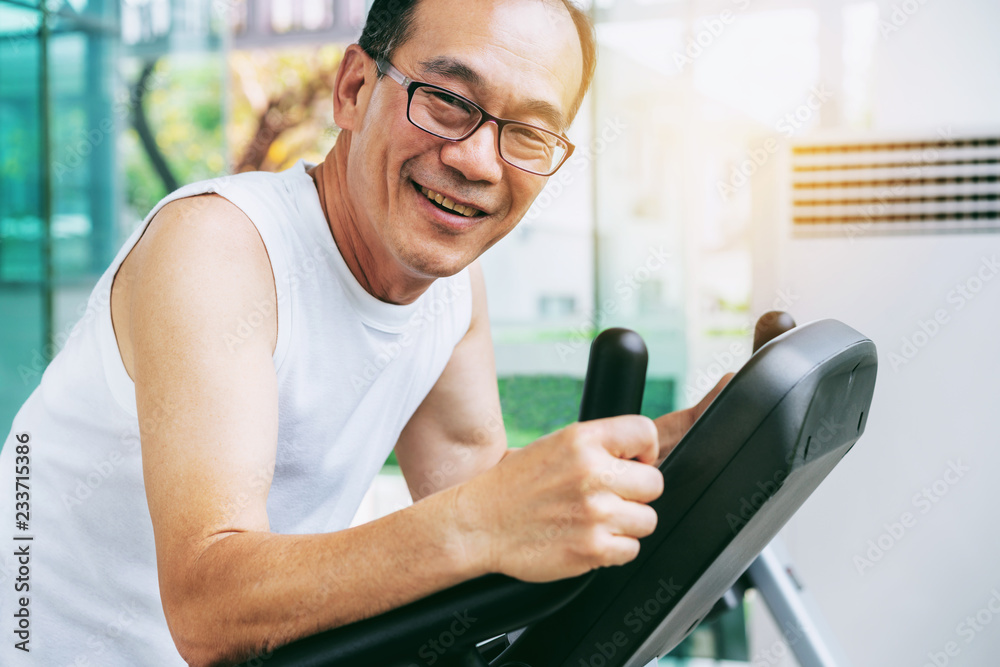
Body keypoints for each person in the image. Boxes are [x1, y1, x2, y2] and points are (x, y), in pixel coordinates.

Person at [0, 0, 728, 665]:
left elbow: (477, 488)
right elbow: (207, 608)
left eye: (529, 134)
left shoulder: (449, 290)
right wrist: (481, 521)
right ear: (353, 89)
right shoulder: (219, 249)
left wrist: (663, 448)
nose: (477, 160)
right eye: (447, 100)